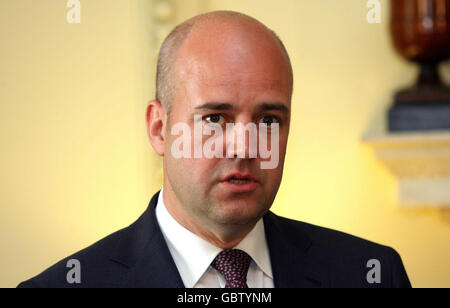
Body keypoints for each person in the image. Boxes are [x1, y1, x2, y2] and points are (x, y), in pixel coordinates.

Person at [18, 11, 411, 288]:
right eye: (215, 118)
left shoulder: (370, 274)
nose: (244, 147)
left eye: (268, 120)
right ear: (159, 129)